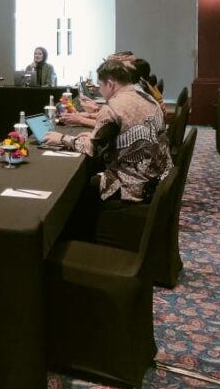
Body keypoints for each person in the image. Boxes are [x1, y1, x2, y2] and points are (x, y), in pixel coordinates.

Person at [44, 58, 172, 247]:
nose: (100, 92)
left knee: (77, 190)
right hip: (157, 177)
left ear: (111, 84)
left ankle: (77, 242)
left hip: (134, 184)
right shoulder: (147, 97)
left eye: (101, 86)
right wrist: (95, 136)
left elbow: (91, 149)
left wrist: (61, 138)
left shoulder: (113, 107)